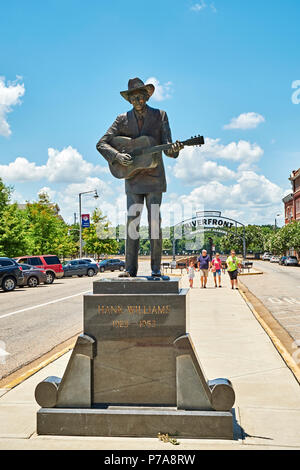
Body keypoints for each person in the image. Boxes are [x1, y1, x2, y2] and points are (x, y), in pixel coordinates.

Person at [96, 78, 183, 277]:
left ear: (146, 96)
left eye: (141, 96)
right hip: (132, 179)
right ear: (129, 100)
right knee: (131, 224)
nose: (137, 100)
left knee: (155, 224)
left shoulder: (160, 115)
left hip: (154, 177)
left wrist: (175, 150)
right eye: (133, 98)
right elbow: (101, 144)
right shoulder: (122, 119)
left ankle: (155, 270)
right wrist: (117, 156)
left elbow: (168, 148)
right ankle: (130, 269)